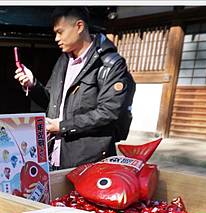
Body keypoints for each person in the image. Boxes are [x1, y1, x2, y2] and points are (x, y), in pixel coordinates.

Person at [14, 6, 135, 169]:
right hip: (54, 156)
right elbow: (51, 102)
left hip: (87, 162)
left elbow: (108, 112)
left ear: (79, 26)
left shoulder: (110, 64)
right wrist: (32, 84)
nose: (56, 38)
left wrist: (62, 126)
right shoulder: (63, 61)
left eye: (60, 32)